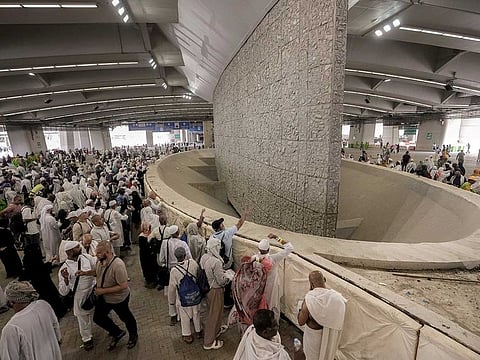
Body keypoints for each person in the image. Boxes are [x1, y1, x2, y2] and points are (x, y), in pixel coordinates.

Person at [91, 240, 138, 350]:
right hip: (105, 298)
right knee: (98, 317)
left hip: (119, 299)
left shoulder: (118, 265)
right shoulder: (100, 261)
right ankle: (117, 332)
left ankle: (133, 335)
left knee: (126, 317)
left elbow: (123, 285)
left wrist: (102, 291)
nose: (96, 255)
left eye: (98, 253)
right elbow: (97, 272)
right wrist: (85, 273)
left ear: (107, 252)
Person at [0, 281, 62, 360]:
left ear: (11, 302)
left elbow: (8, 357)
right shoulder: (43, 305)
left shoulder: (12, 328)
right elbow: (57, 334)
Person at [297, 270, 347, 360]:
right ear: (324, 279)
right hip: (330, 339)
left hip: (314, 338)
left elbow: (301, 321)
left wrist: (300, 308)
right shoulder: (338, 298)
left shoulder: (309, 299)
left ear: (311, 284)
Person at [58, 241, 96, 351]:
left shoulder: (85, 257)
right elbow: (63, 292)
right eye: (77, 247)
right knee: (83, 319)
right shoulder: (64, 268)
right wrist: (65, 279)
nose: (80, 248)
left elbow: (95, 267)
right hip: (79, 295)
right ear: (69, 252)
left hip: (93, 291)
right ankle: (87, 338)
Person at [200, 236, 235, 350]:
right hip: (216, 290)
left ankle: (217, 329)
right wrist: (229, 277)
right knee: (214, 316)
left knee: (214, 311)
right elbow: (221, 280)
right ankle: (209, 342)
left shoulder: (204, 257)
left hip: (208, 290)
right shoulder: (216, 262)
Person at [251, 234, 294, 320]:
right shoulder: (273, 258)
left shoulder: (253, 259)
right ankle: (273, 326)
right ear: (268, 249)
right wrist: (277, 238)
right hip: (272, 287)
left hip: (259, 287)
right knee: (274, 306)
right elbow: (290, 247)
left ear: (258, 249)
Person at [211, 209, 248, 307]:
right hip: (227, 263)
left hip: (217, 263)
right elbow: (239, 224)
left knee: (220, 279)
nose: (223, 225)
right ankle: (227, 301)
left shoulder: (212, 237)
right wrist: (244, 215)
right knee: (228, 281)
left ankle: (222, 298)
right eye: (221, 224)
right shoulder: (227, 233)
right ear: (220, 227)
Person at [168, 247, 202, 344]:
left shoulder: (174, 270)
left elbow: (172, 288)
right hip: (195, 294)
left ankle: (187, 335)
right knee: (196, 313)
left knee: (185, 316)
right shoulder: (193, 263)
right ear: (185, 255)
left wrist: (171, 302)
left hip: (183, 298)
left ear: (176, 257)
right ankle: (198, 331)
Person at [138, 222, 158, 288]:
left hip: (151, 256)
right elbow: (145, 247)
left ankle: (153, 280)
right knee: (146, 268)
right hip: (145, 256)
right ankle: (149, 280)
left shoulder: (149, 235)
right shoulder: (141, 237)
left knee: (152, 267)